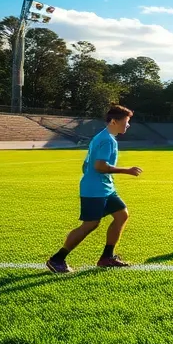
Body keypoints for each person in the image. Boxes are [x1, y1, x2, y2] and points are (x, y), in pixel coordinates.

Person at [47, 105, 142, 273]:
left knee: (121, 215)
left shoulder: (103, 137)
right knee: (90, 225)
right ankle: (57, 258)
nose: (128, 125)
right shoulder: (106, 140)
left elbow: (86, 165)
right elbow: (99, 166)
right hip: (95, 190)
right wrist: (126, 170)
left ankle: (107, 257)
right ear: (114, 121)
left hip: (105, 188)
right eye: (126, 122)